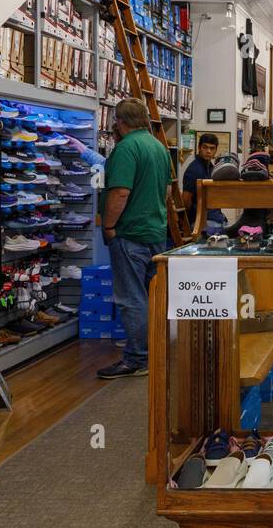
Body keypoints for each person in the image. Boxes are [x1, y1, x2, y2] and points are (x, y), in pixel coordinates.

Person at [96, 99, 173, 379]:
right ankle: (155, 350)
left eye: (115, 120)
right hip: (155, 232)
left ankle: (138, 358)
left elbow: (119, 193)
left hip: (130, 235)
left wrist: (109, 226)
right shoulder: (159, 148)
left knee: (132, 298)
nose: (114, 125)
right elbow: (166, 192)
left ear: (121, 121)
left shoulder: (126, 149)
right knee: (152, 297)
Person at [181, 132, 226, 234]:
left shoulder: (212, 168)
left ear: (216, 150)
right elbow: (186, 200)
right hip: (203, 221)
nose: (208, 151)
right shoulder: (194, 169)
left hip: (217, 218)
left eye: (212, 148)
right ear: (199, 148)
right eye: (205, 147)